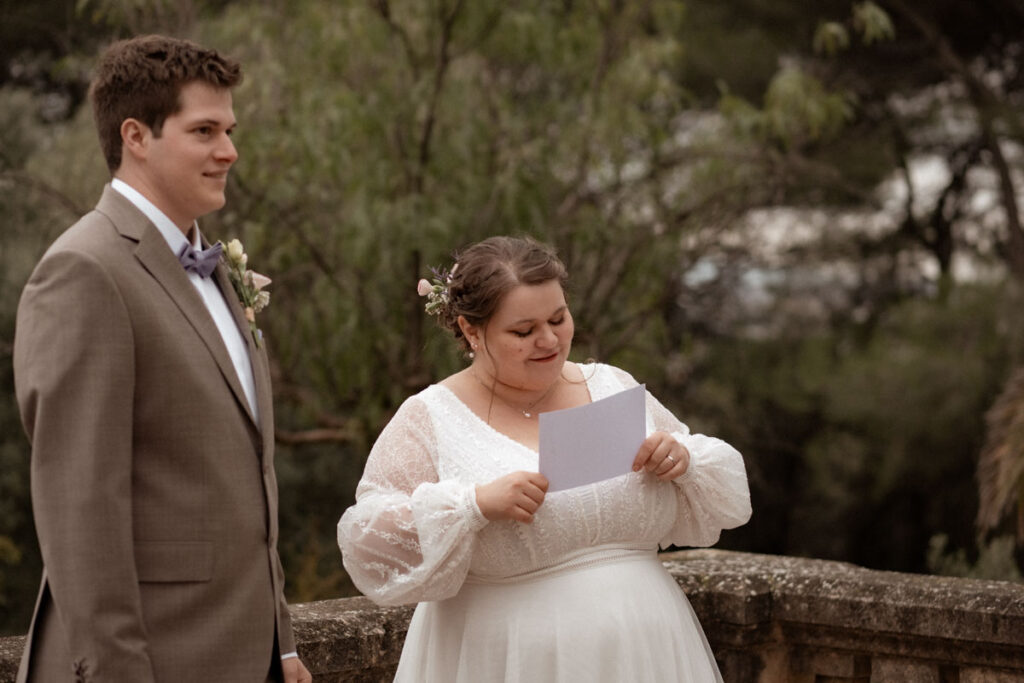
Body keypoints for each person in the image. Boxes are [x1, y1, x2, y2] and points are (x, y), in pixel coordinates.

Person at [13, 35, 311, 682]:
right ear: (136, 137)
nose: (229, 150)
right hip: (153, 659)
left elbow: (246, 478)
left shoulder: (217, 267)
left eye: (229, 130)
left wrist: (280, 644)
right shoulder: (84, 270)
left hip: (241, 653)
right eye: (204, 130)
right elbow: (81, 508)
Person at [337, 236, 751, 682]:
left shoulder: (611, 385)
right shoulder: (430, 417)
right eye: (523, 331)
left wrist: (682, 461)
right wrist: (472, 505)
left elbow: (727, 500)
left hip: (648, 651)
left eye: (559, 318)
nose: (550, 340)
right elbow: (368, 543)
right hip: (509, 658)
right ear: (471, 331)